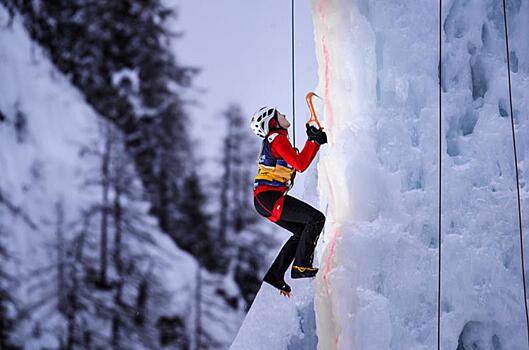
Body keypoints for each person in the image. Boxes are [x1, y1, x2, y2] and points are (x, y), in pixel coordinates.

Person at [250, 106, 328, 297]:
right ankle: (301, 265)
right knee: (316, 219)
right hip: (269, 197)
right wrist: (313, 141)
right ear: (272, 122)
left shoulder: (276, 141)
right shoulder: (277, 138)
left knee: (301, 231)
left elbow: (296, 161)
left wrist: (314, 142)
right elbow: (300, 165)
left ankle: (275, 275)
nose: (284, 115)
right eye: (279, 114)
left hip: (264, 200)